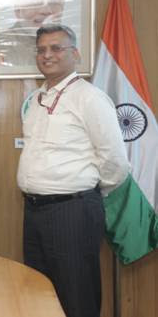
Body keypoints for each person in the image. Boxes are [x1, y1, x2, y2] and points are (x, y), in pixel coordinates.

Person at [18, 24, 129, 317]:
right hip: (34, 210)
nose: (47, 55)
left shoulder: (90, 98)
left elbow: (115, 160)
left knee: (77, 296)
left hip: (72, 211)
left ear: (75, 54)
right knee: (39, 292)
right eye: (41, 50)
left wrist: (86, 191)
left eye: (56, 48)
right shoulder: (37, 99)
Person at [0, 0, 65, 67]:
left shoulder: (68, 46)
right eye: (36, 2)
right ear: (18, 10)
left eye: (53, 3)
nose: (45, 11)